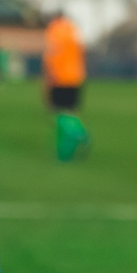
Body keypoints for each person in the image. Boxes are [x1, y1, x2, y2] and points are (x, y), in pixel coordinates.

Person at [43, 12, 89, 161]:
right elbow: (81, 52)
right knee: (71, 112)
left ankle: (76, 133)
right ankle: (66, 150)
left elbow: (52, 54)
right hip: (75, 76)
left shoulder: (54, 31)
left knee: (58, 113)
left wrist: (49, 77)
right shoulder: (73, 30)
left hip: (59, 77)